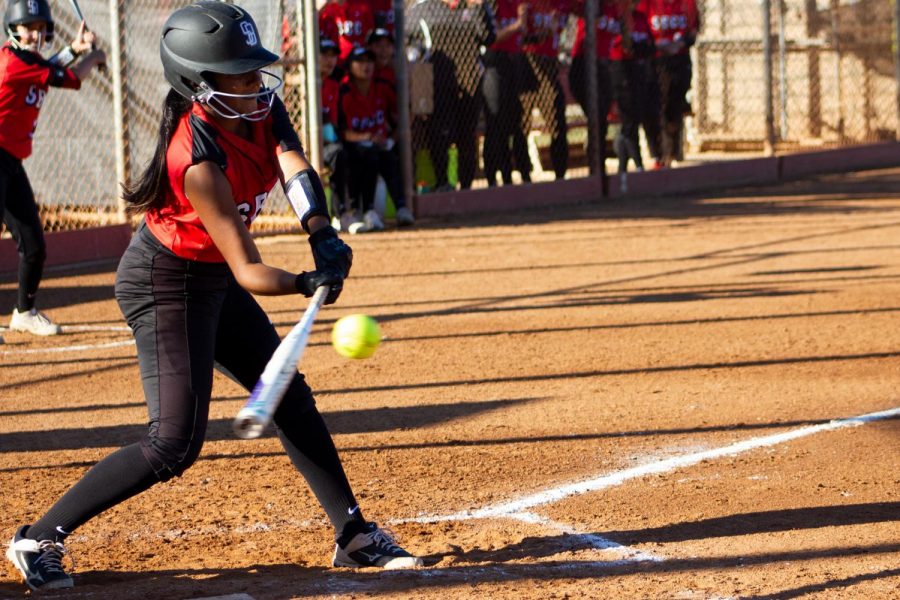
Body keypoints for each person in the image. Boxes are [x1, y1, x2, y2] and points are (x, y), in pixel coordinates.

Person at [4, 2, 422, 592]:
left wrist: (321, 231)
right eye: (239, 73)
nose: (256, 84)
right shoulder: (194, 158)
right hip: (166, 282)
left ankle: (353, 534)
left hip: (212, 277)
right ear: (197, 84)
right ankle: (37, 537)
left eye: (255, 70)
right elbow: (248, 268)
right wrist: (306, 282)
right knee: (173, 443)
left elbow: (292, 161)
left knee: (288, 396)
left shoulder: (258, 106)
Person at [0, 0, 105, 343]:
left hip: (9, 164)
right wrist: (94, 57)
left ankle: (24, 313)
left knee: (33, 244)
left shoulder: (28, 62)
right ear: (12, 30)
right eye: (27, 27)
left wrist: (75, 48)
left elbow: (47, 68)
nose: (34, 34)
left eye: (40, 28)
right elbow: (70, 78)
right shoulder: (12, 63)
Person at [406, 0, 495, 192]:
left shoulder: (474, 6)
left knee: (466, 135)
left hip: (469, 79)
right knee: (438, 133)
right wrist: (417, 63)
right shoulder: (423, 8)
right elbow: (409, 41)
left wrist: (478, 8)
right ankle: (441, 183)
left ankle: (466, 186)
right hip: (434, 79)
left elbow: (488, 38)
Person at [338, 45, 413, 231]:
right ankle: (366, 210)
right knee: (368, 156)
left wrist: (392, 139)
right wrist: (367, 137)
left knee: (389, 157)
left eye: (369, 61)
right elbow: (343, 132)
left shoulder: (382, 88)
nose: (366, 66)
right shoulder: (345, 92)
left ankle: (401, 207)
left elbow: (402, 118)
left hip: (379, 144)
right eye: (360, 61)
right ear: (350, 66)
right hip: (355, 145)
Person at [517, 0, 574, 182]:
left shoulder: (561, 5)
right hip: (529, 64)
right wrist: (544, 33)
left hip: (550, 65)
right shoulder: (526, 4)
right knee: (522, 124)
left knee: (558, 123)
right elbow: (520, 39)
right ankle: (525, 174)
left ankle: (560, 174)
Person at [640, 0, 698, 167]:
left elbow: (693, 33)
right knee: (653, 107)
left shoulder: (686, 3)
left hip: (679, 60)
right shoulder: (648, 4)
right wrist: (656, 46)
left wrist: (679, 44)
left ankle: (672, 152)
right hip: (656, 61)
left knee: (674, 105)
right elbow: (640, 29)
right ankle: (658, 155)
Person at [482, 0, 531, 187]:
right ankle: (495, 177)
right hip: (495, 65)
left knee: (517, 123)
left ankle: (524, 174)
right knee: (495, 123)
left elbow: (524, 36)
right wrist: (517, 25)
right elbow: (490, 38)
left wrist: (526, 29)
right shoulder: (491, 5)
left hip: (515, 63)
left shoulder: (519, 5)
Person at [568, 0, 617, 176]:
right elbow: (573, 9)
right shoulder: (592, 4)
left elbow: (626, 38)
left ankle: (597, 164)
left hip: (604, 67)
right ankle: (596, 164)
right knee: (596, 116)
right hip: (583, 65)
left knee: (602, 117)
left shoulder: (619, 8)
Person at [609, 0, 655, 187]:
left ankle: (624, 168)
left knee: (635, 118)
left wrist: (639, 48)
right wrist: (638, 48)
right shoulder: (618, 18)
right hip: (621, 71)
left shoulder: (641, 18)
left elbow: (649, 47)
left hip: (639, 72)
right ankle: (637, 166)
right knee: (629, 121)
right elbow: (627, 47)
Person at [320, 36, 351, 230]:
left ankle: (341, 213)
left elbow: (331, 121)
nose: (330, 61)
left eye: (333, 56)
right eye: (325, 55)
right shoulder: (301, 81)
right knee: (337, 153)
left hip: (326, 142)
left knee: (341, 153)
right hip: (301, 142)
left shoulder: (332, 85)